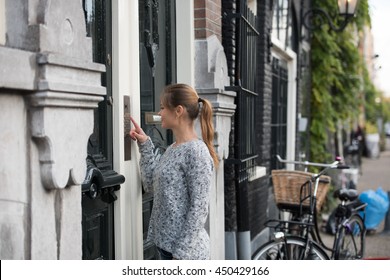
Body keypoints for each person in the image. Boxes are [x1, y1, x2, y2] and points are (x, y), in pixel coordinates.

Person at [129, 83, 219, 260]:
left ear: (178, 111)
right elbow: (150, 185)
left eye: (163, 108)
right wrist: (145, 145)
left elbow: (199, 208)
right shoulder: (172, 148)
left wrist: (181, 254)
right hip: (165, 247)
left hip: (184, 255)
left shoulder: (197, 152)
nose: (159, 113)